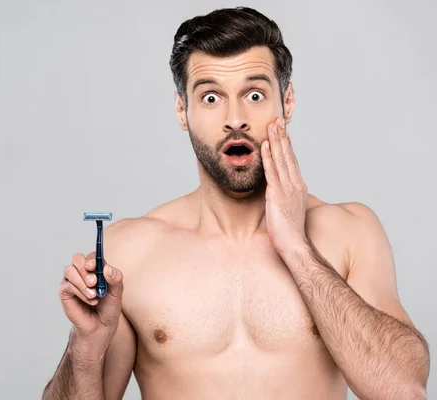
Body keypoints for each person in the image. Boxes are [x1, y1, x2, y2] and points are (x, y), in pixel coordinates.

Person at [42, 6, 430, 400]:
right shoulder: (130, 251)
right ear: (182, 110)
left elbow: (402, 390)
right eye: (210, 97)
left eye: (255, 94)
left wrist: (298, 249)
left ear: (288, 101)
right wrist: (85, 347)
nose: (235, 119)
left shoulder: (349, 232)